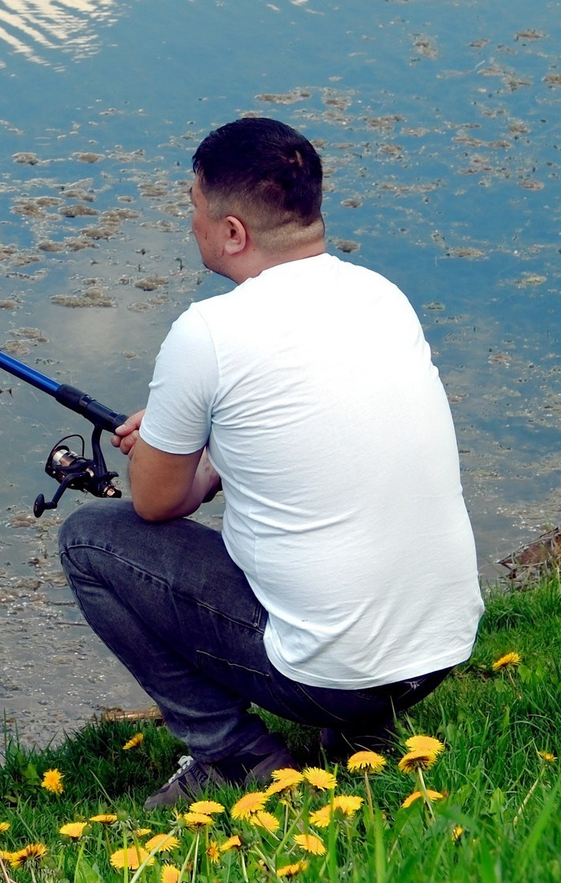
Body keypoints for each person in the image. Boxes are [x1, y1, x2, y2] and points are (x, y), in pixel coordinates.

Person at [58, 116, 481, 808]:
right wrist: (199, 444)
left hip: (331, 677)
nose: (190, 223)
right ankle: (364, 729)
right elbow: (312, 432)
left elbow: (157, 503)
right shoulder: (381, 296)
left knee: (89, 540)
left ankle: (233, 754)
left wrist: (173, 448)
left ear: (233, 232)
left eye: (194, 207)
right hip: (437, 652)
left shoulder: (208, 332)